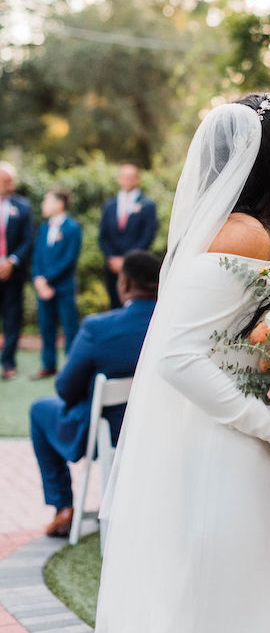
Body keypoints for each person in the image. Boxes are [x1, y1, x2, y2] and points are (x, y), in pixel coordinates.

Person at [91, 96, 270, 633]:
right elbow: (177, 356)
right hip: (232, 452)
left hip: (247, 449)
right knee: (227, 608)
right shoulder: (244, 235)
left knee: (242, 605)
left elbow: (243, 343)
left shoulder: (251, 229)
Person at [30, 250, 161, 537]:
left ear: (124, 283)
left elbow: (65, 389)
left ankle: (63, 506)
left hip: (110, 432)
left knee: (40, 410)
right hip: (161, 428)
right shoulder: (171, 322)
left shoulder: (99, 327)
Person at [31, 188, 82, 379]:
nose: (44, 205)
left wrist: (48, 279)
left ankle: (72, 367)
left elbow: (69, 260)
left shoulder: (72, 227)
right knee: (46, 326)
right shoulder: (44, 227)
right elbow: (37, 256)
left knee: (70, 327)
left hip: (63, 287)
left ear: (59, 204)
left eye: (47, 201)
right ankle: (48, 364)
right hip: (43, 287)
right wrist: (38, 279)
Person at [98, 162, 158, 308]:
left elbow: (147, 235)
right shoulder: (109, 205)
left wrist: (127, 260)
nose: (128, 180)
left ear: (138, 180)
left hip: (136, 265)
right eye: (124, 177)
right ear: (119, 179)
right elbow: (103, 235)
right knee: (114, 302)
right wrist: (112, 258)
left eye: (131, 177)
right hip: (113, 265)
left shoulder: (147, 205)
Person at [0, 161, 34, 380]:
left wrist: (11, 262)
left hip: (13, 273)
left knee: (12, 318)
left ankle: (8, 363)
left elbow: (28, 239)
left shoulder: (23, 207)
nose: (9, 185)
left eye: (10, 181)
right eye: (4, 181)